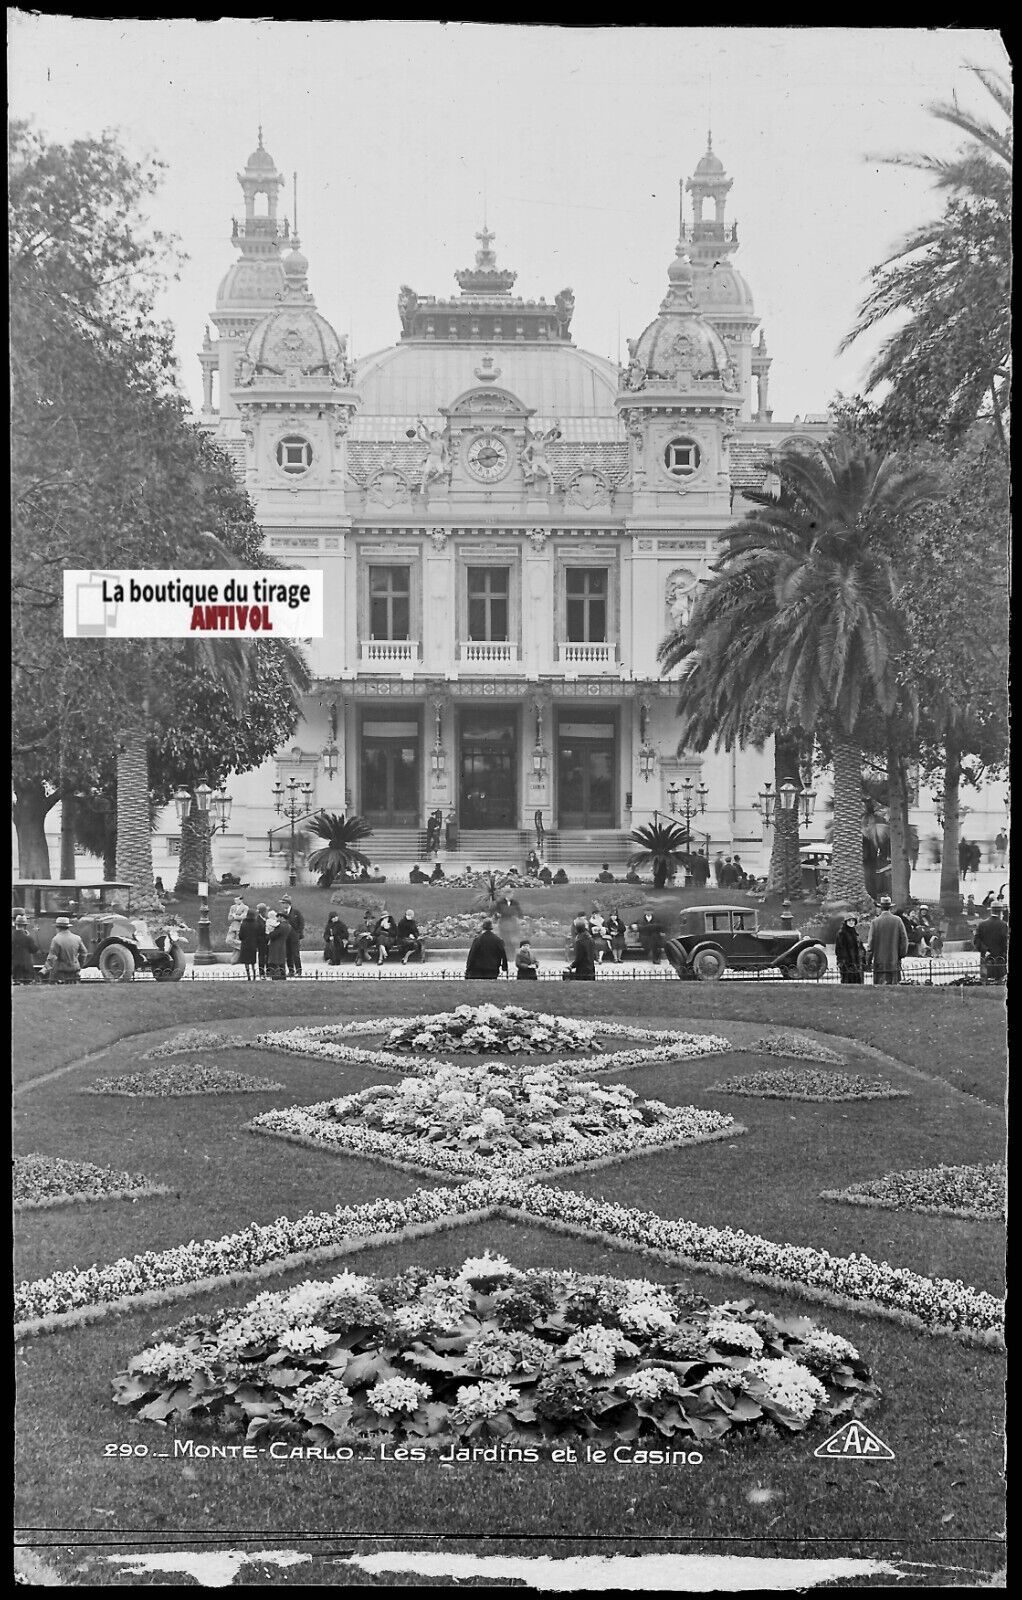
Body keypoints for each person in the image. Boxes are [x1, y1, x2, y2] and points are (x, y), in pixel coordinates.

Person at [864, 896, 909, 985]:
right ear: (890, 907)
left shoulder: (875, 922)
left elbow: (871, 943)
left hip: (879, 961)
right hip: (894, 959)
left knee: (880, 986)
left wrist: (868, 960)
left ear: (880, 908)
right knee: (894, 985)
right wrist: (901, 954)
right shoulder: (898, 920)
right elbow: (904, 939)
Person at [44, 916, 88, 984]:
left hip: (61, 971)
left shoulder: (56, 939)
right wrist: (79, 963)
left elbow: (52, 957)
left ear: (58, 928)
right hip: (75, 969)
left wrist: (44, 970)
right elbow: (84, 953)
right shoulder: (77, 938)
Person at [973, 904, 1008, 985]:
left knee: (985, 980)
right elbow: (1004, 943)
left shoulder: (981, 924)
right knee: (999, 982)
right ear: (1000, 912)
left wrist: (985, 950)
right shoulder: (1003, 925)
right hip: (999, 959)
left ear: (991, 911)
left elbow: (976, 940)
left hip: (985, 957)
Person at [494, 888, 523, 963]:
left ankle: (512, 957)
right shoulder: (500, 902)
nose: (512, 895)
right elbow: (496, 912)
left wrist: (520, 919)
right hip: (503, 922)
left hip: (512, 923)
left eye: (512, 894)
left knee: (512, 940)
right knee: (505, 940)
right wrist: (497, 915)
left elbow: (519, 912)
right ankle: (504, 957)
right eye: (510, 894)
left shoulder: (515, 902)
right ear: (506, 894)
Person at [835, 915, 866, 984]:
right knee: (847, 981)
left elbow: (860, 947)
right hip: (847, 962)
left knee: (858, 981)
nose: (851, 922)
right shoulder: (841, 933)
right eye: (849, 920)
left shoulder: (855, 933)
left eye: (853, 920)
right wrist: (843, 961)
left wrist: (863, 958)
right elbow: (839, 949)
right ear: (846, 922)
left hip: (857, 962)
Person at [279, 895, 305, 977]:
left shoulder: (296, 912)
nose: (282, 905)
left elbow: (301, 923)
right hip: (286, 936)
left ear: (288, 904)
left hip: (294, 936)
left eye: (283, 903)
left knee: (295, 954)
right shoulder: (282, 913)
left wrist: (298, 932)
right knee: (288, 954)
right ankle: (291, 970)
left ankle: (299, 970)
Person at [564, 917, 596, 981]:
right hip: (591, 967)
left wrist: (572, 966)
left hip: (583, 969)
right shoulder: (591, 939)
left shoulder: (580, 941)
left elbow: (579, 957)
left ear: (577, 929)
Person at [12, 914, 41, 985]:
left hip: (14, 966)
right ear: (25, 926)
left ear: (16, 925)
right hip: (26, 966)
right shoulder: (28, 938)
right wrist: (29, 936)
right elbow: (34, 950)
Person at [238, 907, 261, 981]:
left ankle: (248, 976)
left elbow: (240, 935)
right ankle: (254, 975)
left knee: (246, 961)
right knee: (252, 961)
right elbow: (259, 934)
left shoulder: (243, 924)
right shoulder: (256, 924)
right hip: (253, 945)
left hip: (245, 944)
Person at [264, 911, 289, 980]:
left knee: (274, 962)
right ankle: (282, 976)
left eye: (278, 917)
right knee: (281, 962)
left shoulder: (280, 926)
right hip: (282, 945)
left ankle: (276, 977)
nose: (276, 918)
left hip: (275, 946)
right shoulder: (287, 925)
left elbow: (273, 935)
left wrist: (268, 935)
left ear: (281, 917)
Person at [225, 895, 249, 959]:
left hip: (241, 926)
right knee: (228, 940)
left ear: (241, 900)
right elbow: (229, 918)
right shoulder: (232, 907)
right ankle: (244, 946)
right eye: (235, 900)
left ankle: (237, 957)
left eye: (237, 900)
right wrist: (237, 916)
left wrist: (235, 916)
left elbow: (244, 917)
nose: (236, 901)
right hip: (233, 926)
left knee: (238, 940)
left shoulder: (245, 907)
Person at [255, 903, 270, 978]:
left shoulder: (267, 918)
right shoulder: (257, 920)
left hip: (268, 941)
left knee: (268, 956)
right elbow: (259, 930)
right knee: (262, 956)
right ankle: (261, 972)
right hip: (261, 942)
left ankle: (268, 971)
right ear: (262, 912)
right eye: (266, 911)